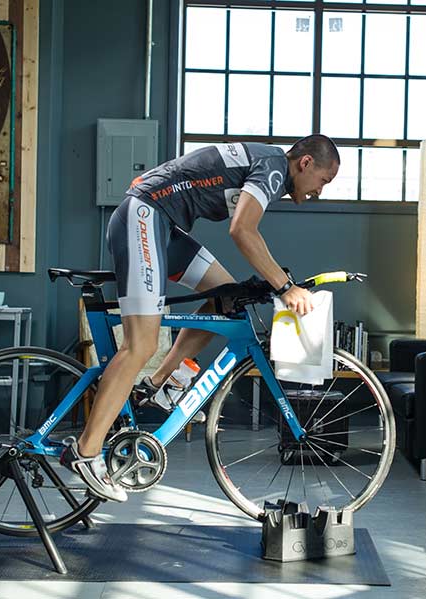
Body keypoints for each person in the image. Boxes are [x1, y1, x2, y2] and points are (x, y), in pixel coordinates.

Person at [60, 134, 341, 501]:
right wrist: (286, 287)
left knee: (226, 297)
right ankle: (85, 453)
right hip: (144, 216)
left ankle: (161, 384)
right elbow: (242, 230)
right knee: (140, 344)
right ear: (305, 164)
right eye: (324, 180)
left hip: (162, 225)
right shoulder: (274, 168)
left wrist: (274, 282)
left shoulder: (268, 164)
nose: (321, 190)